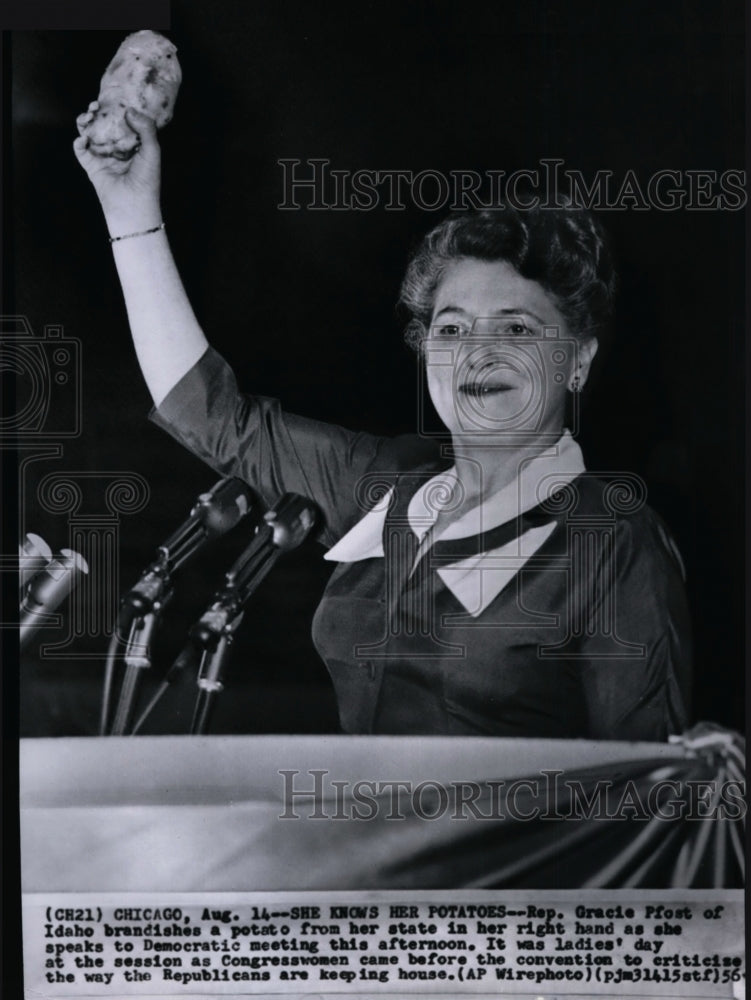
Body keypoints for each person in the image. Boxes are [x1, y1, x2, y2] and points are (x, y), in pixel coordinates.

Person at [74, 106, 692, 741]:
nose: (479, 353)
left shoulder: (615, 537)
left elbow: (648, 794)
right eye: (451, 328)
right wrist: (131, 216)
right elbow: (211, 415)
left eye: (516, 328)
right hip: (356, 836)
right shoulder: (388, 484)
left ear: (578, 361)